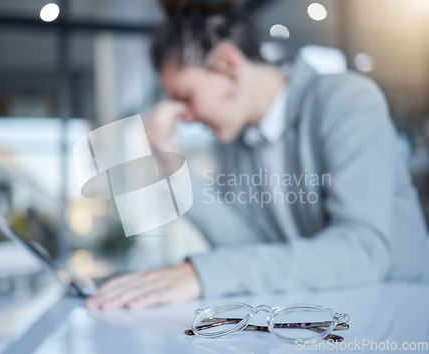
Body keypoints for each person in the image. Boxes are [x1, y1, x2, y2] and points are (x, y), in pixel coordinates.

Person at [85, 0, 429, 311]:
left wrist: (205, 274)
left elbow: (362, 252)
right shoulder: (241, 143)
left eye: (186, 96)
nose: (185, 116)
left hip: (402, 311)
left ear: (227, 65)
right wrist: (170, 163)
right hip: (331, 317)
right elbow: (248, 247)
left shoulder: (345, 99)